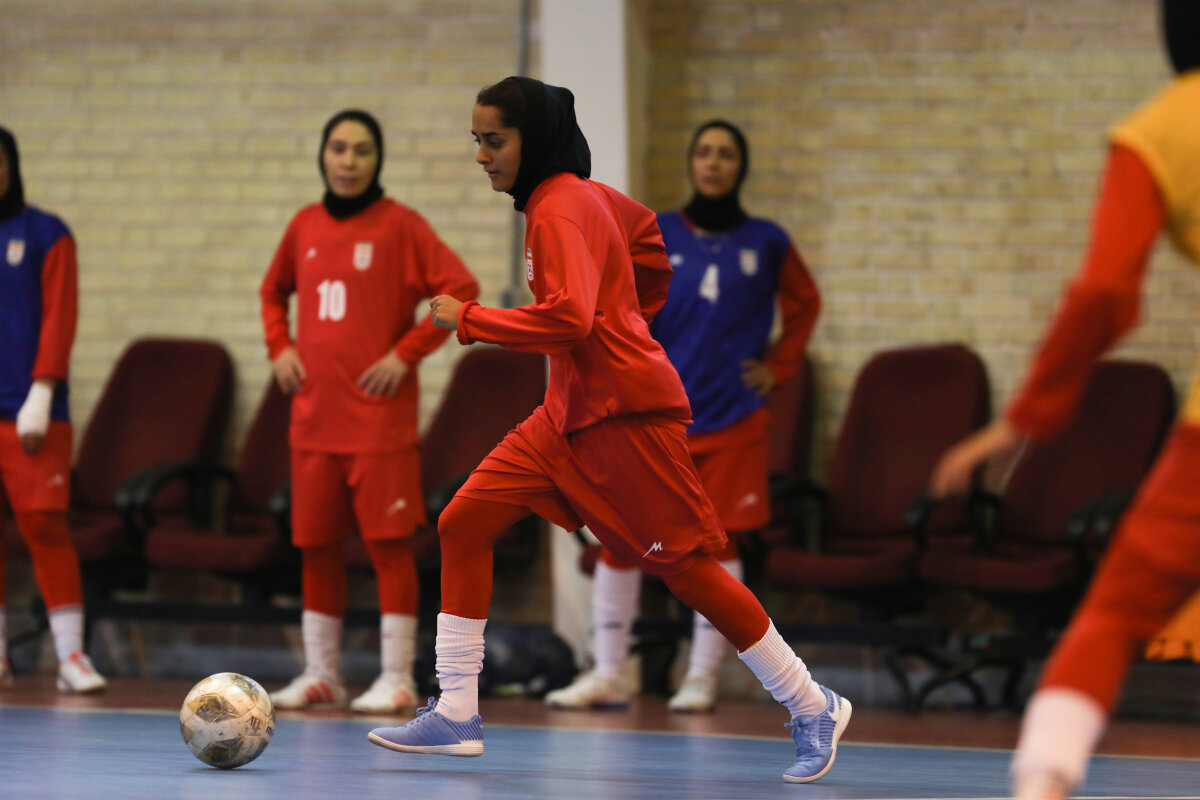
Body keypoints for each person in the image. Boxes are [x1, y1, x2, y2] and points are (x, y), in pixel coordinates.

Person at [366, 77, 849, 784]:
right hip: (564, 415)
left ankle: (812, 703)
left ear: (534, 140)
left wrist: (468, 318)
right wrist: (630, 315)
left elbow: (568, 319)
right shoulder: (585, 198)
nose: (482, 156)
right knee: (463, 523)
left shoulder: (558, 209)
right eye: (477, 141)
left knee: (688, 570)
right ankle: (458, 711)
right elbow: (650, 242)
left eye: (494, 141)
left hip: (622, 418)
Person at [928, 4, 1200, 799]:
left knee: (1113, 615)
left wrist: (1024, 419)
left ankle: (1042, 785)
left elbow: (1105, 293)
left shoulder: (1159, 129)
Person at [545, 120, 820, 713]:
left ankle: (701, 676)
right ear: (691, 162)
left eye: (725, 154)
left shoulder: (768, 241)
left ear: (740, 167)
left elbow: (805, 304)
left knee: (718, 546)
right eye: (704, 152)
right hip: (656, 418)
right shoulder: (658, 230)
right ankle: (609, 672)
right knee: (623, 538)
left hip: (734, 418)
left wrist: (779, 366)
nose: (713, 163)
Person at [260, 110, 479, 714]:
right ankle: (321, 675)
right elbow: (272, 291)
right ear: (323, 155)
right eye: (338, 148)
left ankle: (397, 677)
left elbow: (462, 290)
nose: (348, 161)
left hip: (379, 424)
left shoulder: (401, 226)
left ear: (377, 159)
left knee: (389, 547)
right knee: (315, 546)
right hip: (314, 421)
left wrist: (405, 354)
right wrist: (280, 346)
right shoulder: (303, 225)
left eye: (361, 150)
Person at [0, 126, 106, 694]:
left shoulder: (47, 234)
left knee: (43, 525)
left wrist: (41, 391)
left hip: (31, 411)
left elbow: (59, 317)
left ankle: (71, 657)